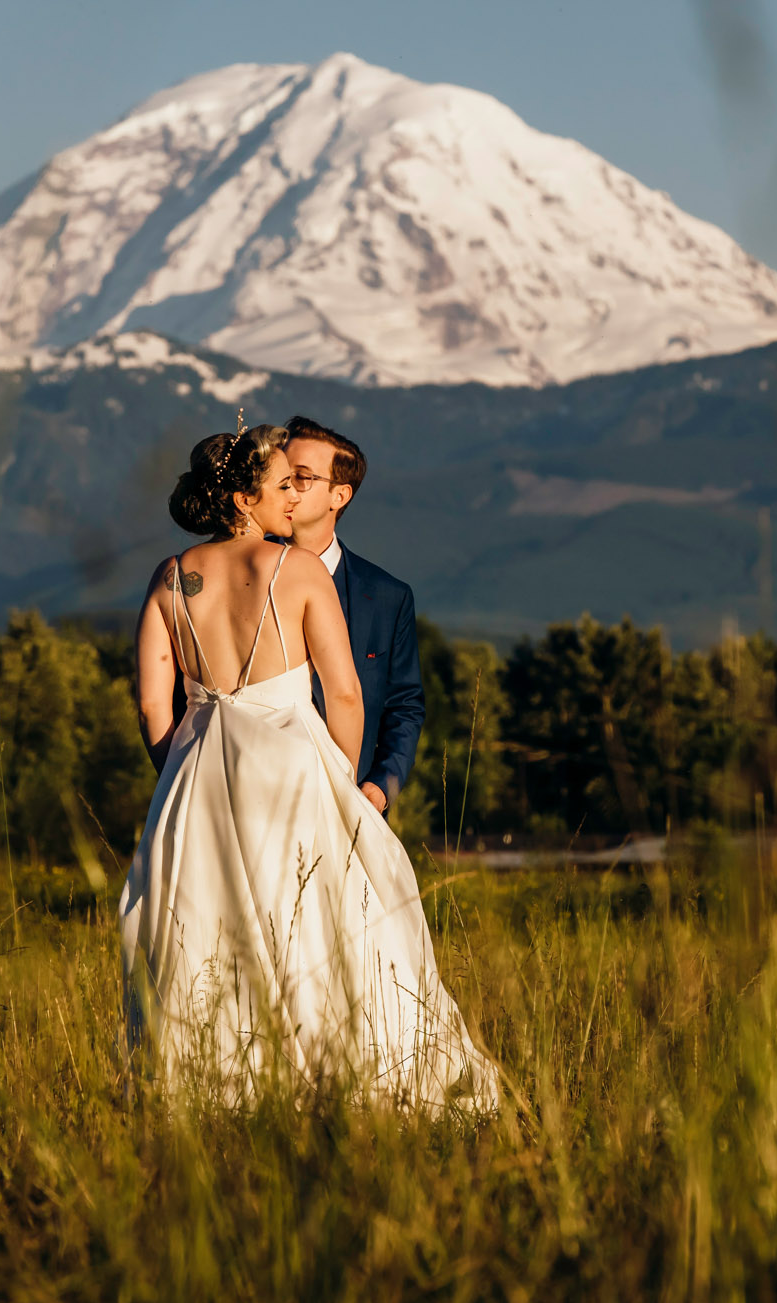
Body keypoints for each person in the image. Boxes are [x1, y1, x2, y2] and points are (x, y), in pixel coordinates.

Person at [119, 422, 496, 1108]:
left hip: (200, 774)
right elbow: (346, 691)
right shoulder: (295, 571)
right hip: (295, 771)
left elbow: (152, 701)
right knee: (319, 925)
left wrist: (178, 770)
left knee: (210, 929)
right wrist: (341, 780)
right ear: (242, 497)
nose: (291, 499)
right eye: (279, 486)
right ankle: (328, 1072)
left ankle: (217, 1081)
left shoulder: (172, 576)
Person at [280, 417, 423, 819]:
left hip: (348, 804)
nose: (286, 487)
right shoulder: (240, 575)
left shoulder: (387, 596)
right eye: (281, 475)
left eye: (302, 477)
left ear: (339, 495)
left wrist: (379, 787)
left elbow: (404, 705)